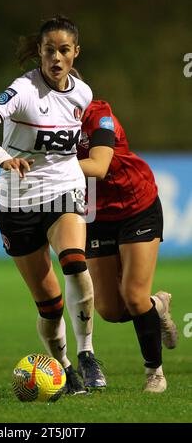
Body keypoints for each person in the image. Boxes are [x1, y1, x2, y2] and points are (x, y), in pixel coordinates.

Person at [0, 16, 106, 394]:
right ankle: (62, 368)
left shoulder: (83, 93)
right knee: (49, 304)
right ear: (40, 53)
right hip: (18, 202)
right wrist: (3, 159)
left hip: (65, 190)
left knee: (75, 263)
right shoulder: (22, 90)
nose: (56, 58)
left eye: (63, 50)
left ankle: (87, 354)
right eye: (49, 50)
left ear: (76, 52)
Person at [77, 98, 178, 393]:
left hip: (136, 206)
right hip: (97, 215)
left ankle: (154, 373)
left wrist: (50, 165)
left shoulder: (98, 114)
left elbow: (99, 166)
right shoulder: (50, 124)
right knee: (109, 309)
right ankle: (157, 306)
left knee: (134, 297)